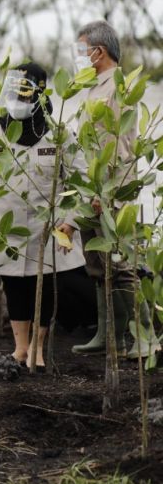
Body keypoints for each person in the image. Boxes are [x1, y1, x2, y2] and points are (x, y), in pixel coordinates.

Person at [0, 63, 90, 370]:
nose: (16, 102)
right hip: (5, 227)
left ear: (40, 93)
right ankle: (20, 348)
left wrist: (71, 222)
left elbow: (83, 180)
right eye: (13, 94)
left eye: (23, 95)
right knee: (14, 285)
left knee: (44, 286)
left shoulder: (59, 133)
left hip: (46, 228)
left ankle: (37, 348)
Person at [70, 21, 157, 359]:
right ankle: (112, 337)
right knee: (98, 266)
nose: (79, 58)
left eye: (82, 50)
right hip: (94, 191)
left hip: (109, 193)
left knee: (120, 268)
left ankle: (146, 337)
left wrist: (107, 194)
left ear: (99, 51)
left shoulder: (116, 88)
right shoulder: (96, 88)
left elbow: (119, 148)